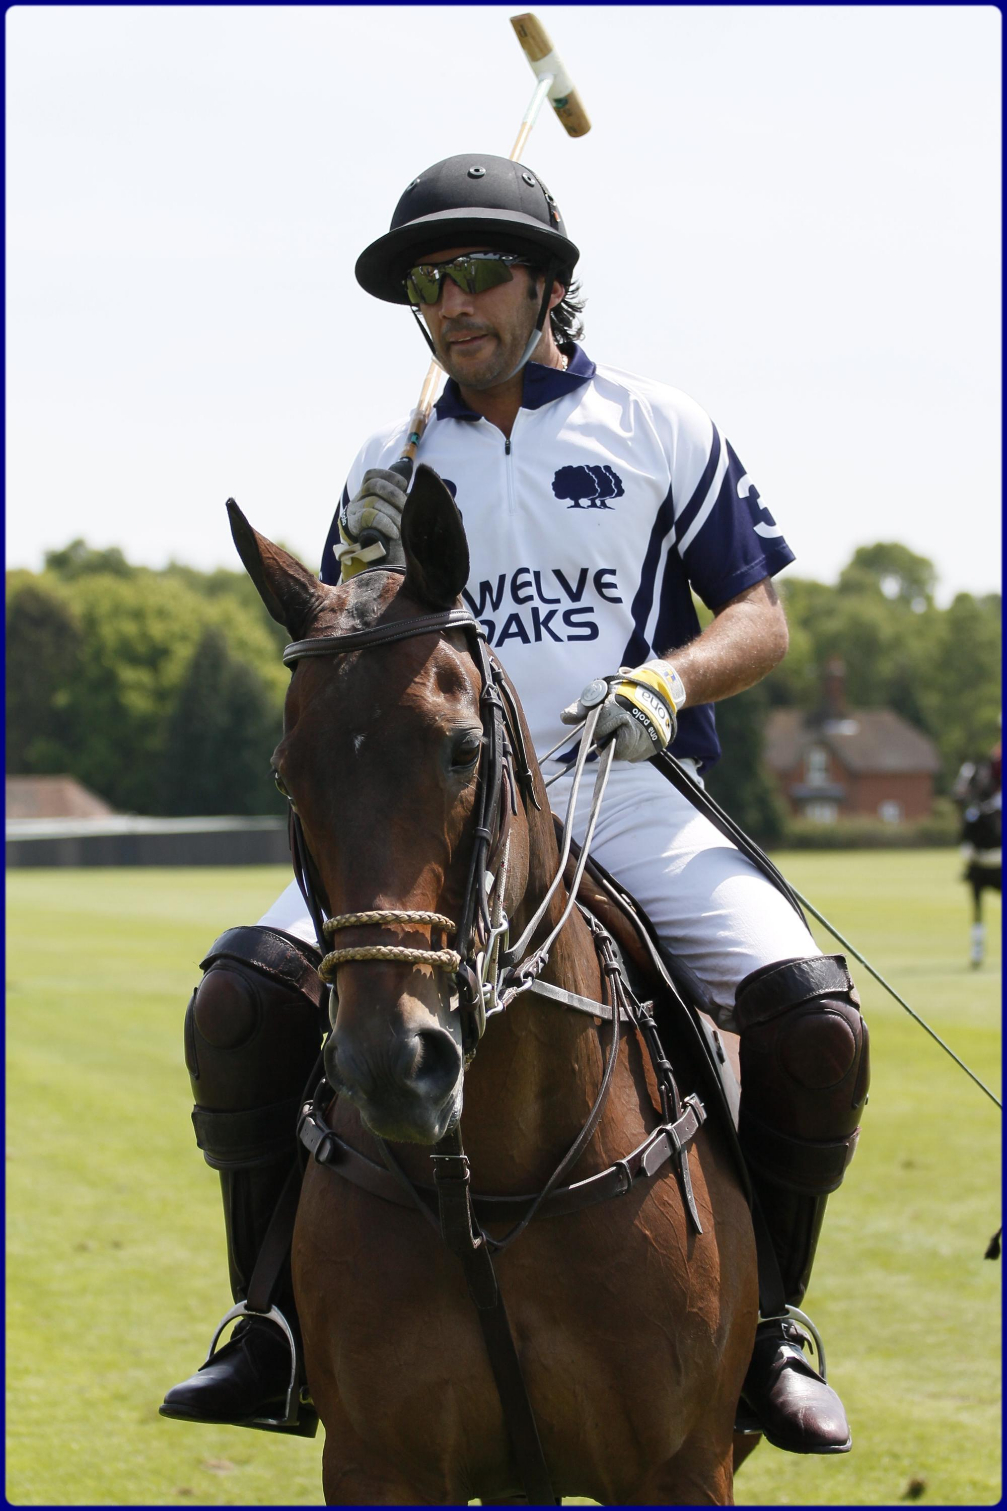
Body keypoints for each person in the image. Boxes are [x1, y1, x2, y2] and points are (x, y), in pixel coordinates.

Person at [162, 155, 869, 1456]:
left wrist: (668, 678)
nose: (451, 302)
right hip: (434, 818)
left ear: (550, 284)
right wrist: (361, 571)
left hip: (629, 791)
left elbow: (761, 618)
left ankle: (769, 1329)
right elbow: (343, 647)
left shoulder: (660, 427)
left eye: (479, 271)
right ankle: (268, 1326)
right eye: (429, 282)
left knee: (816, 1023)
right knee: (241, 1005)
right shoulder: (389, 458)